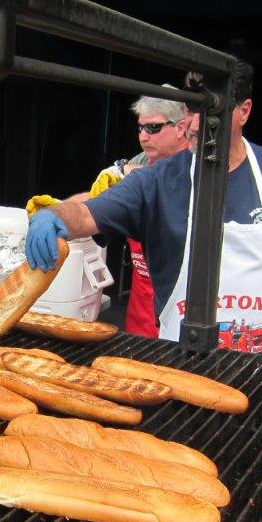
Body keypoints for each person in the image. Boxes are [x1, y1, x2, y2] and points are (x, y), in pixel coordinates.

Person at [26, 61, 262, 365]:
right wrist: (54, 216)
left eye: (209, 112)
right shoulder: (156, 182)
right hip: (179, 364)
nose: (194, 124)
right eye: (191, 110)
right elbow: (84, 215)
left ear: (244, 112)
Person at [82, 89, 190, 337]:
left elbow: (174, 190)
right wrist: (61, 211)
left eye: (153, 128)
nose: (143, 136)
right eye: (140, 128)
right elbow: (104, 204)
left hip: (181, 306)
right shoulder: (140, 159)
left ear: (181, 127)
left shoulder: (200, 164)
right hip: (141, 304)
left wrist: (132, 174)